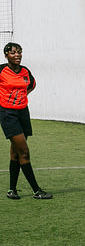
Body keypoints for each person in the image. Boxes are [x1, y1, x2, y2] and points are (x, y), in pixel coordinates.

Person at [2, 42, 51, 200]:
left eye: (19, 52)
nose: (17, 55)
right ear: (6, 55)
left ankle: (12, 190)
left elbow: (32, 85)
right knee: (24, 151)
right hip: (7, 114)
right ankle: (37, 191)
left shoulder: (25, 71)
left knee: (16, 152)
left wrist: (22, 96)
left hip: (23, 113)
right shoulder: (1, 70)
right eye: (13, 53)